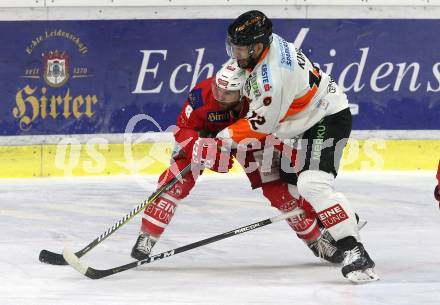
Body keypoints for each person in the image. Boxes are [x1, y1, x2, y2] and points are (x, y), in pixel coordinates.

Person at [193, 11, 379, 283]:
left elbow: (260, 126)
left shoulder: (273, 77)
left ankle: (355, 252)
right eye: (234, 47)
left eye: (242, 49)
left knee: (312, 185)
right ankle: (344, 218)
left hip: (325, 117)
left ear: (258, 46)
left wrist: (219, 139)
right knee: (291, 185)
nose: (236, 54)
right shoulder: (265, 47)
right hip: (301, 123)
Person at [131, 59, 344, 264]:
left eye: (228, 93)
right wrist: (197, 146)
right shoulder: (201, 95)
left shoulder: (261, 96)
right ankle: (148, 235)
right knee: (177, 179)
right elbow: (183, 128)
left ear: (243, 91)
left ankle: (316, 240)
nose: (221, 96)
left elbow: (273, 130)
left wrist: (293, 160)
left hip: (250, 139)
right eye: (218, 89)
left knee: (279, 193)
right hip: (207, 138)